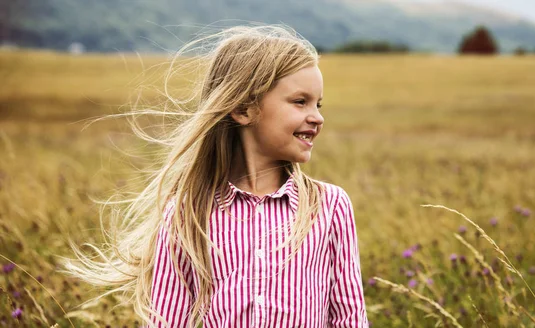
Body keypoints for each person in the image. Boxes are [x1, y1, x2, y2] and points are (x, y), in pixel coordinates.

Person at [64, 25, 368, 327]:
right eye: (300, 101)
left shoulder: (329, 206)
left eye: (318, 103)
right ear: (244, 109)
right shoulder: (188, 214)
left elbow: (350, 318)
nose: (317, 116)